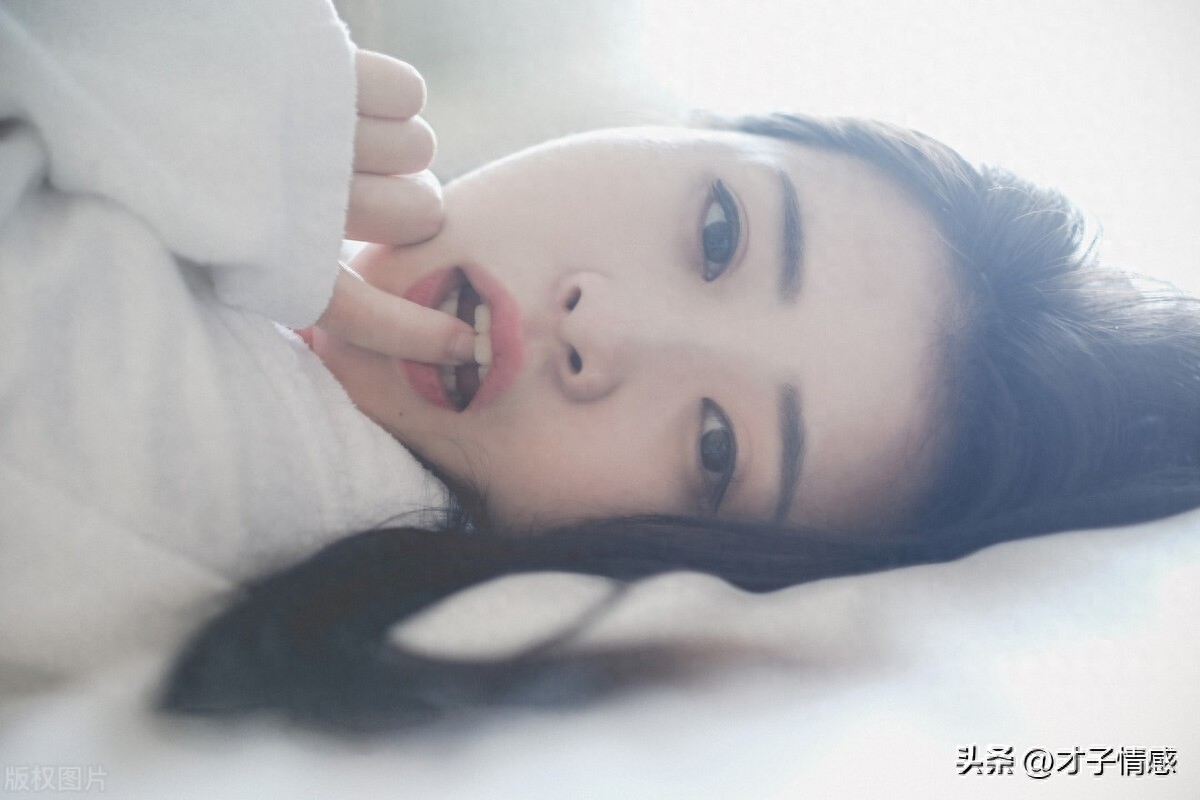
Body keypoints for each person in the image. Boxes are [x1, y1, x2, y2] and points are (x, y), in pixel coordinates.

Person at [2, 0, 1197, 727]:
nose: (601, 331)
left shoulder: (252, 481)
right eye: (720, 232)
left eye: (716, 445)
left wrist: (165, 57)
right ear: (684, 129)